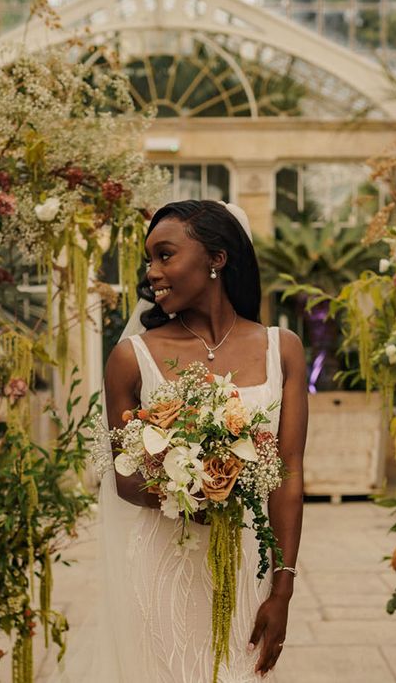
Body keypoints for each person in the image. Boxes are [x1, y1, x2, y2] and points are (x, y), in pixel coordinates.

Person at [97, 200, 307, 682]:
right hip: (164, 564)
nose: (152, 273)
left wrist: (283, 587)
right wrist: (198, 490)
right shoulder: (131, 358)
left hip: (248, 564)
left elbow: (289, 476)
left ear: (217, 257)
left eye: (165, 255)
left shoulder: (283, 349)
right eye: (148, 260)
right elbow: (124, 479)